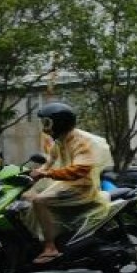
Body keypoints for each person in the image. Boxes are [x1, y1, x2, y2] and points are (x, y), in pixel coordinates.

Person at [25, 102, 111, 264]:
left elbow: (79, 170)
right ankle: (45, 239)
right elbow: (49, 162)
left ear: (59, 123)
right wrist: (30, 174)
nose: (44, 127)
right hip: (67, 185)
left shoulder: (80, 142)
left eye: (47, 123)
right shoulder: (60, 142)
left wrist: (45, 173)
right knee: (27, 196)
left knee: (39, 201)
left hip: (82, 188)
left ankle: (50, 247)